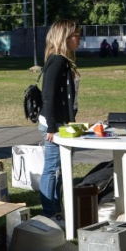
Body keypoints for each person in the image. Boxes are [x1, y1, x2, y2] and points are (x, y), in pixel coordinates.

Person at [37, 19, 81, 219]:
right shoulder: (57, 60)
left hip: (62, 123)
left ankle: (56, 210)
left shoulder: (62, 60)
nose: (79, 38)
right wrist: (52, 128)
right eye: (75, 35)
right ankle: (49, 213)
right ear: (64, 38)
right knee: (52, 169)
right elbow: (48, 96)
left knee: (60, 170)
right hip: (54, 124)